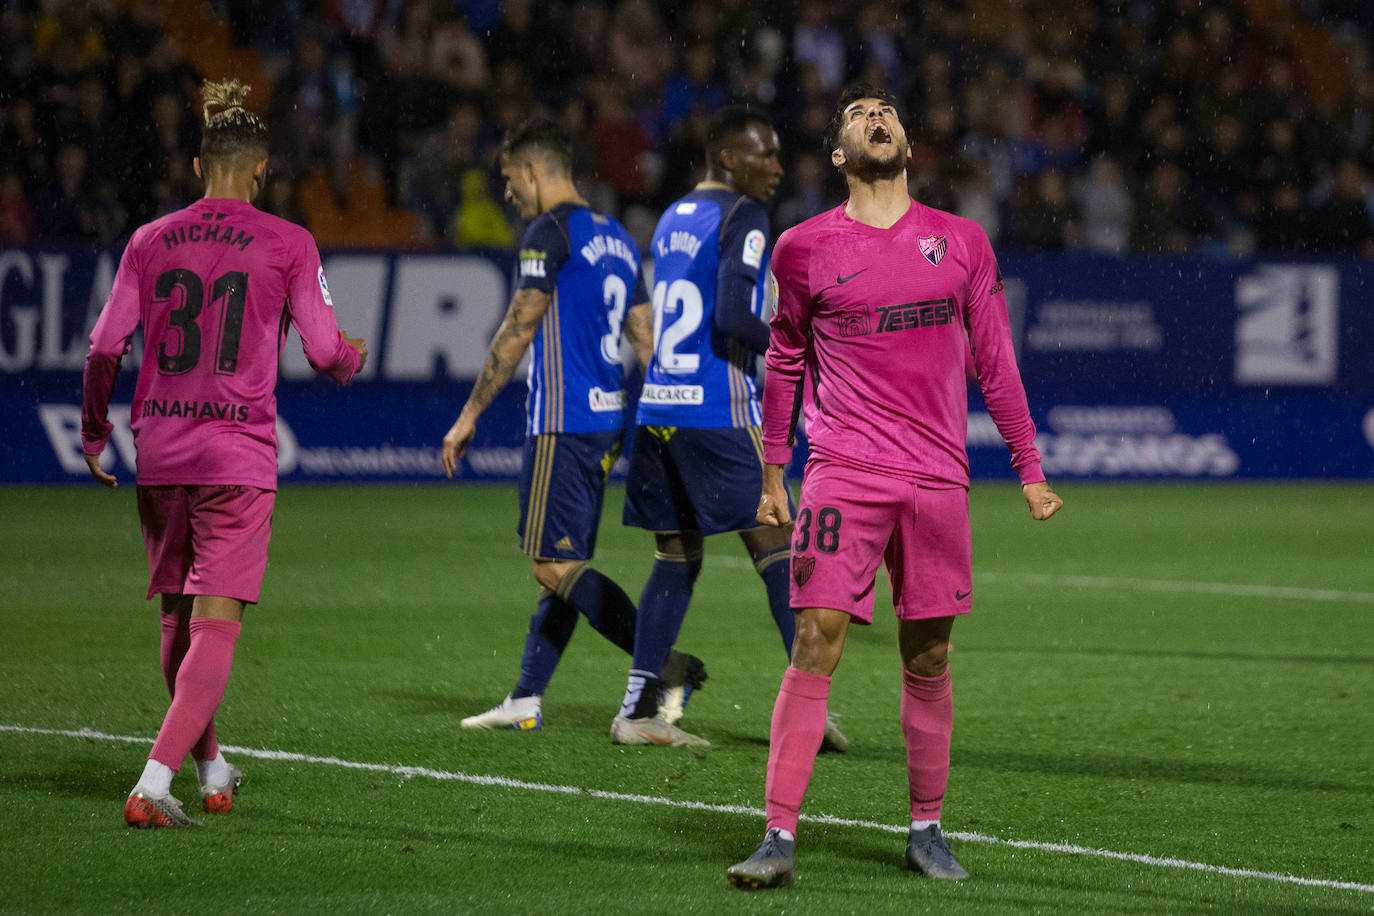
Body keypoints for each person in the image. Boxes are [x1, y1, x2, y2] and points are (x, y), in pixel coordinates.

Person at [727, 84, 1063, 888]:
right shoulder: (803, 248)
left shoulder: (963, 242)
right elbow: (784, 363)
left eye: (887, 113)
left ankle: (927, 828)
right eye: (857, 116)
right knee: (815, 638)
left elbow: (997, 363)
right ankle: (777, 835)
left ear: (908, 143)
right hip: (843, 472)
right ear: (839, 156)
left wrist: (1029, 468)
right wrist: (775, 471)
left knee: (931, 652)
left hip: (940, 478)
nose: (876, 118)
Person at [81, 79, 368, 828]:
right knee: (215, 625)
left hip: (161, 450)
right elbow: (326, 348)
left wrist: (90, 431)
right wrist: (351, 360)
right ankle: (152, 783)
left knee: (179, 622)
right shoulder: (288, 242)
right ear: (261, 169)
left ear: (198, 166)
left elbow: (106, 343)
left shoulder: (149, 239)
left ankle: (212, 768)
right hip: (234, 457)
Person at [442, 118, 701, 732]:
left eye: (510, 179)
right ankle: (527, 697)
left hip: (561, 421)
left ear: (534, 171)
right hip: (608, 422)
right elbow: (643, 332)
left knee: (549, 565)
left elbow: (517, 327)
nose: (509, 193)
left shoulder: (548, 231)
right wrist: (668, 410)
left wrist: (470, 413)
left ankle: (663, 662)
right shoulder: (612, 234)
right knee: (566, 562)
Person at [612, 106, 846, 752]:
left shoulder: (673, 216)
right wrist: (798, 341)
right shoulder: (743, 216)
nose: (775, 167)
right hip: (718, 413)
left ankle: (638, 711)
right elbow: (734, 315)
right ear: (726, 157)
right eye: (763, 154)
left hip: (660, 410)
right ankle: (807, 710)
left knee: (675, 560)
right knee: (783, 558)